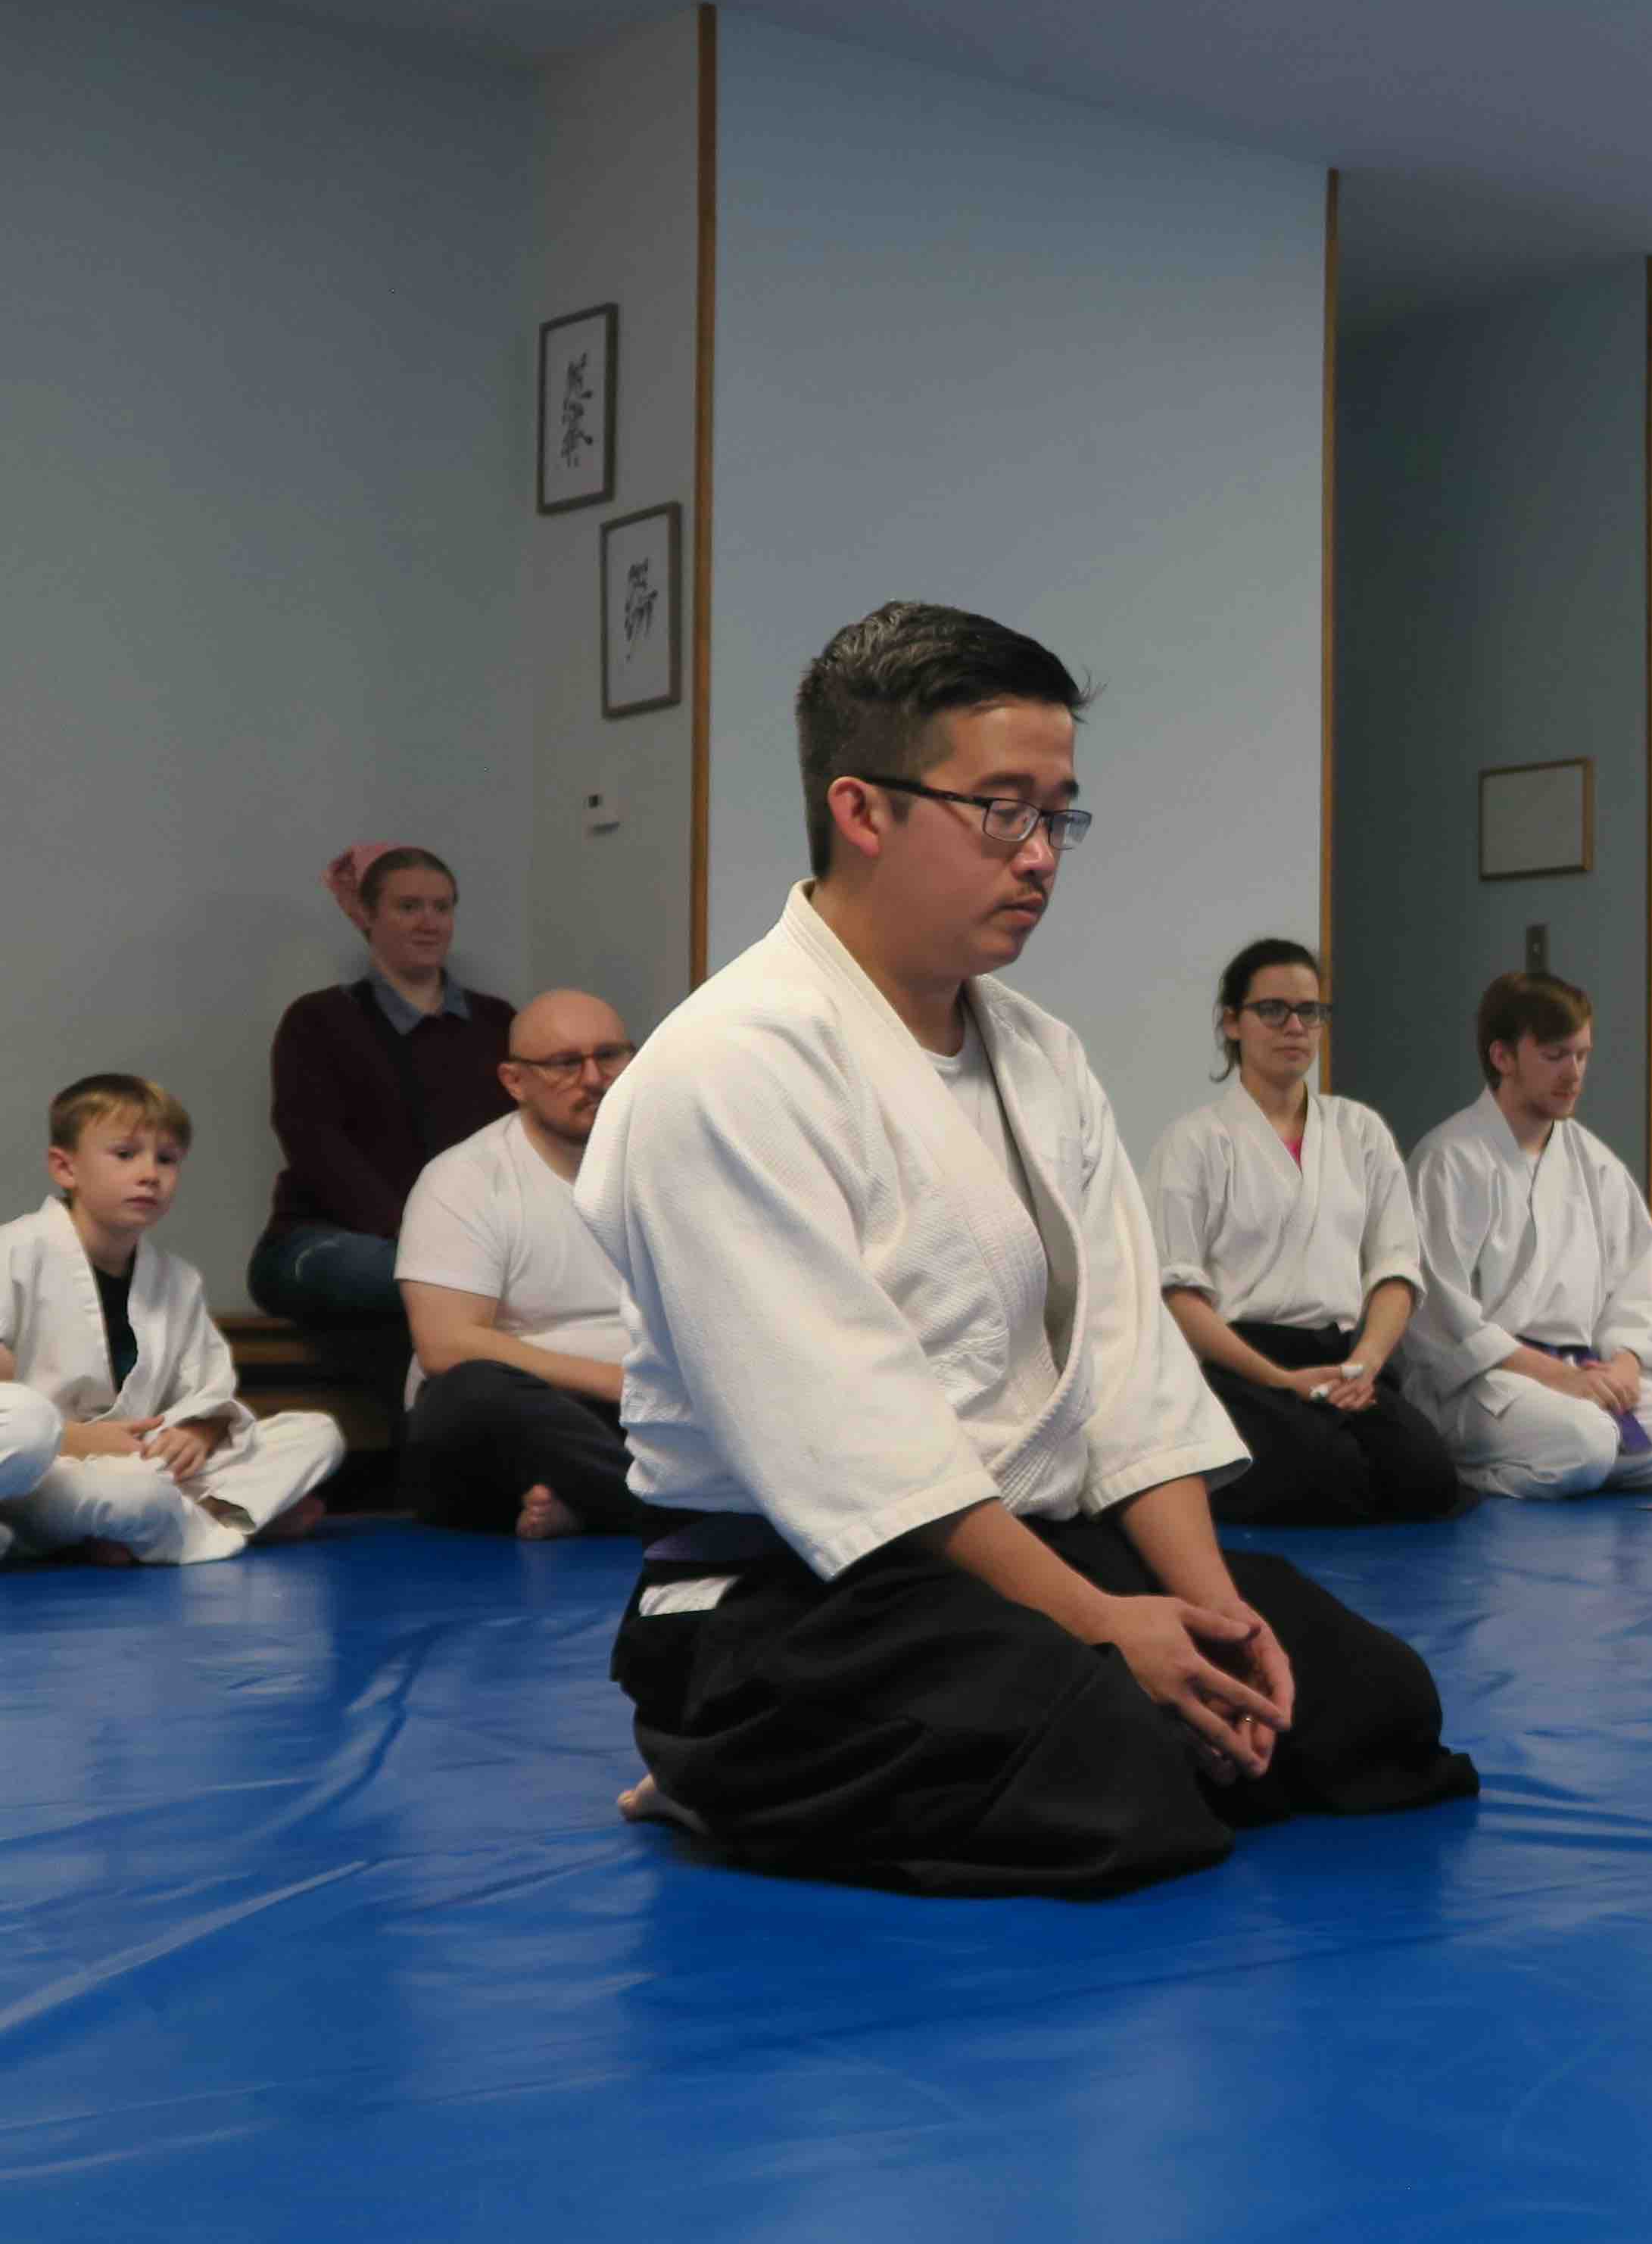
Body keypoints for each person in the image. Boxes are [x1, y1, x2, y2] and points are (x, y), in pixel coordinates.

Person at [579, 602, 1472, 1895]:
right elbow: (860, 1449)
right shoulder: (728, 1070)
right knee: (1111, 1767)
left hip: (1025, 1554)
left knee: (1369, 1710)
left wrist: (1206, 1613)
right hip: (797, 1596)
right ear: (861, 809)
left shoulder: (1043, 1057)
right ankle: (710, 1767)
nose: (1043, 854)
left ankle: (1050, 1699)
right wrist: (1108, 1627)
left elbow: (1124, 1363)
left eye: (1060, 813)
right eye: (1004, 809)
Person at [1145, 940, 1464, 1526]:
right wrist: (1280, 1380)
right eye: (1272, 1010)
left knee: (1428, 1480)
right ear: (1232, 1022)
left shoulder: (1359, 1130)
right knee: (1325, 1476)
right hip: (1242, 1363)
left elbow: (1396, 1270)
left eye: (1309, 1011)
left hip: (1343, 1361)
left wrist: (1365, 1364)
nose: (1294, 1026)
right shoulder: (1194, 1141)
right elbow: (1178, 1295)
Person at [1401, 971, 1652, 1500]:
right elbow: (1442, 1318)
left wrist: (1622, 1365)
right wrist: (1556, 1379)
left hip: (1582, 1370)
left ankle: (1562, 1465)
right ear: (1502, 1057)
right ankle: (1473, 1473)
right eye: (1554, 1056)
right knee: (1586, 1442)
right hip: (1485, 1380)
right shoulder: (1448, 1159)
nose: (1574, 1074)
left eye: (1582, 1055)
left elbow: (1632, 1292)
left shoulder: (1597, 1167)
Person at [2, 1076, 342, 1563]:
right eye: (125, 1155)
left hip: (150, 1461)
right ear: (65, 1167)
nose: (150, 1174)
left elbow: (204, 1391)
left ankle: (154, 1529)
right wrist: (79, 1440)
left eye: (166, 1159)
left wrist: (198, 1432)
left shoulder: (176, 1280)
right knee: (130, 1497)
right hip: (53, 1470)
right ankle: (223, 1519)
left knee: (316, 1435)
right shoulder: (14, 1253)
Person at [395, 989, 647, 1538]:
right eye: (564, 1063)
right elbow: (447, 1344)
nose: (593, 1078)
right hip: (531, 1415)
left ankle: (592, 1500)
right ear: (514, 1081)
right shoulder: (463, 1179)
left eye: (610, 1056)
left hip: (644, 1412)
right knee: (467, 1395)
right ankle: (670, 1507)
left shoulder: (673, 1165)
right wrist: (617, 1382)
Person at [252, 846, 516, 1323]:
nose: (429, 922)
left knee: (490, 1281)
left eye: (442, 907)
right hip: (327, 1241)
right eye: (409, 907)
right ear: (367, 917)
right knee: (418, 1281)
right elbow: (316, 1147)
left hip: (464, 1252)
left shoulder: (498, 1023)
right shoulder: (319, 1020)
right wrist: (422, 1238)